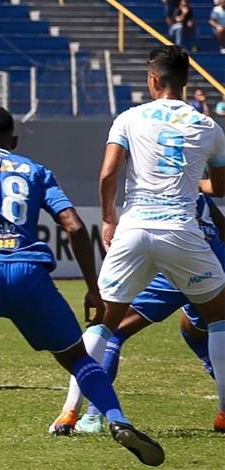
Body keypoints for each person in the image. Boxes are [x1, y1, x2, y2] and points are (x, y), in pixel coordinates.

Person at [0, 106, 165, 470]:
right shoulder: (36, 171)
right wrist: (92, 288)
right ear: (15, 141)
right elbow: (73, 226)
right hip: (29, 274)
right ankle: (117, 419)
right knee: (78, 359)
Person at [50, 45, 225, 436]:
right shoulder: (210, 127)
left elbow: (108, 174)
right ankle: (224, 413)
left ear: (152, 80)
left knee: (104, 323)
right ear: (185, 81)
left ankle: (69, 413)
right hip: (180, 229)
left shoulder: (129, 118)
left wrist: (110, 218)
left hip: (133, 227)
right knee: (219, 316)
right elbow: (220, 187)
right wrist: (188, 176)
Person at [74, 193, 224, 433]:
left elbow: (108, 175)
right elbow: (221, 225)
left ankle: (92, 417)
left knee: (113, 331)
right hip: (213, 266)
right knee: (195, 329)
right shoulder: (196, 186)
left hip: (177, 257)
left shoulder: (153, 189)